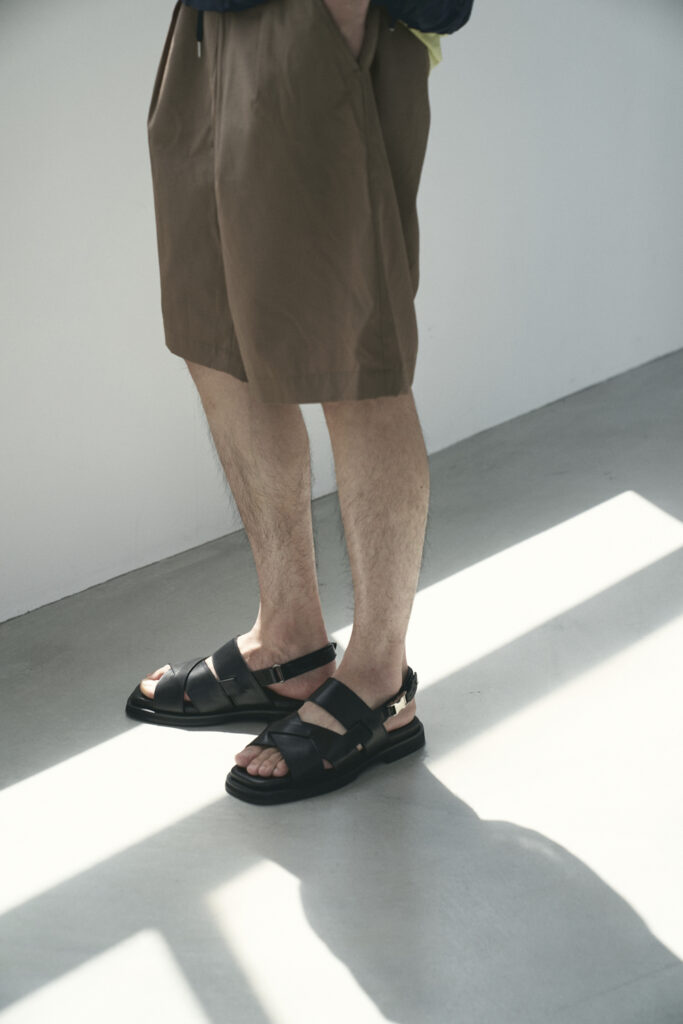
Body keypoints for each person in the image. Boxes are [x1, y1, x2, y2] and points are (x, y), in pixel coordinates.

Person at [126, 0, 435, 804]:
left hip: (313, 26)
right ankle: (288, 641)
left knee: (351, 361)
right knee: (214, 341)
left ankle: (378, 679)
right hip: (205, 28)